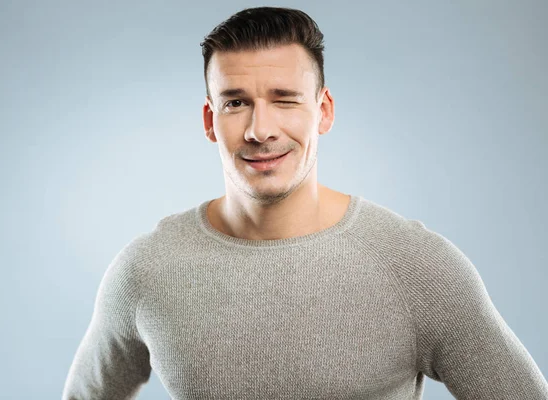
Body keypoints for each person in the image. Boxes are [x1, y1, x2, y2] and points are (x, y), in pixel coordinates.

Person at [62, 6, 548, 399]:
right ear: (210, 120)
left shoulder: (416, 267)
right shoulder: (145, 270)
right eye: (236, 102)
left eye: (285, 99)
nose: (260, 130)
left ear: (324, 110)